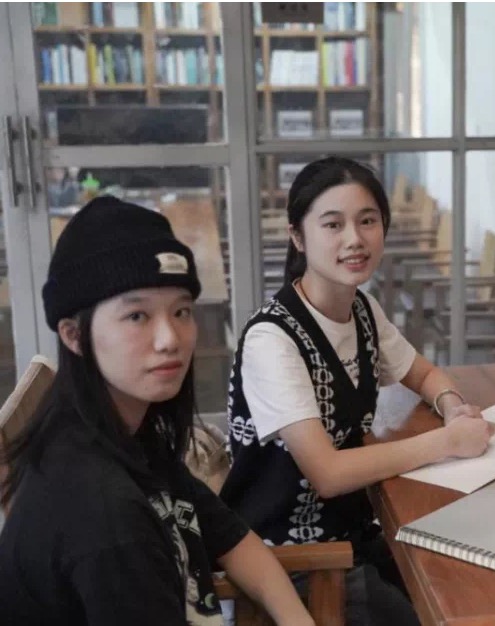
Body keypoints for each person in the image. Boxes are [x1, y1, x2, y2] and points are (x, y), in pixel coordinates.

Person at [0, 197, 313, 626]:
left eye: (181, 311)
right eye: (137, 316)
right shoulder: (104, 513)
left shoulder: (128, 436)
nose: (170, 339)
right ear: (73, 335)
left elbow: (231, 538)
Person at [219, 157, 493, 626]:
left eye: (367, 221)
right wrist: (447, 442)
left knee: (467, 580)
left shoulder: (362, 310)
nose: (354, 239)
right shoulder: (272, 339)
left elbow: (424, 374)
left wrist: (452, 408)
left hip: (353, 534)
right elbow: (325, 472)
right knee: (442, 608)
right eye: (333, 224)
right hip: (291, 560)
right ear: (298, 236)